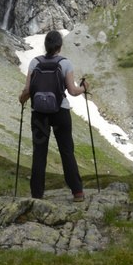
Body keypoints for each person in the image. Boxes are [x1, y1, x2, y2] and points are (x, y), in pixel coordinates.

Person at [19, 29, 89, 201]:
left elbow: (27, 90)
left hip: (39, 114)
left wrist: (22, 100)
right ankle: (77, 192)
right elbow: (72, 91)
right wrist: (85, 87)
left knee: (39, 152)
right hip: (60, 113)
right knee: (66, 151)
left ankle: (37, 195)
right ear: (60, 46)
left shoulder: (34, 63)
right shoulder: (65, 63)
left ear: (45, 45)